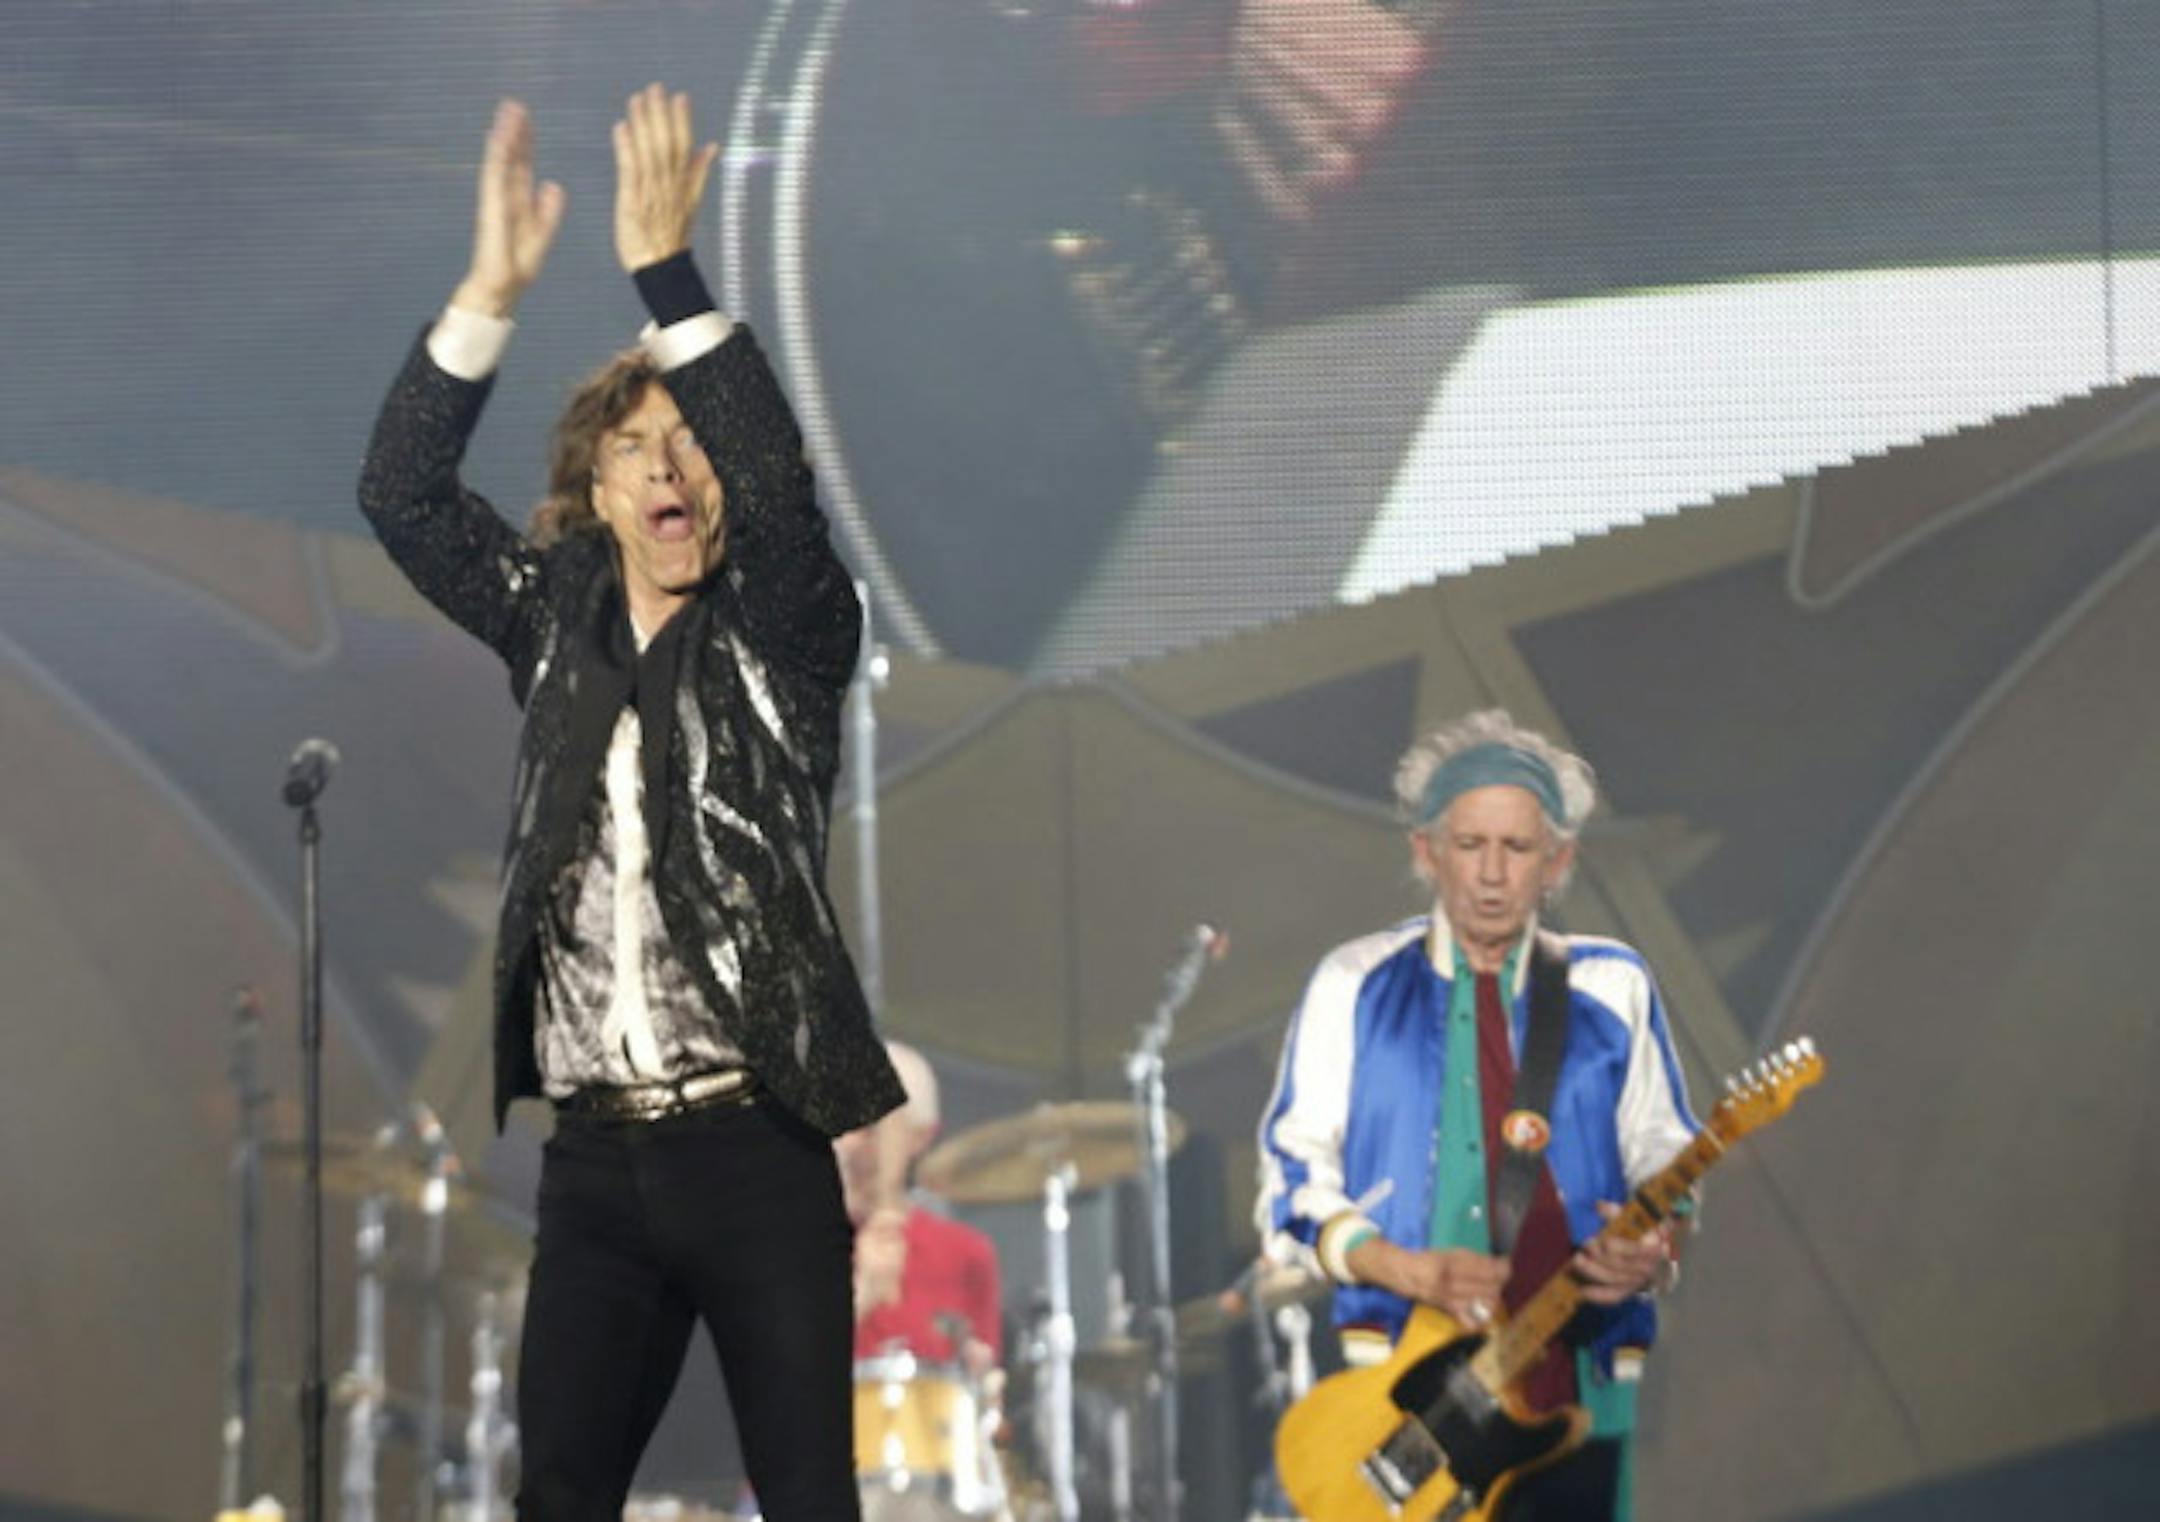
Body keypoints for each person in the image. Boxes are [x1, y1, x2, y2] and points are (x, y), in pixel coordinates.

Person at [358, 86, 905, 1521]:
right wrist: (489, 294)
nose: (668, 466)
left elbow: (777, 480)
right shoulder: (552, 622)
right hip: (596, 1162)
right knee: (560, 1493)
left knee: (808, 1494)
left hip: (756, 1140)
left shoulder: (788, 627)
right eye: (632, 449)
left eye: (687, 443)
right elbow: (404, 494)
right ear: (593, 491)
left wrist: (668, 275)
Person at [1255, 709, 1696, 1521]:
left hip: (1578, 1386)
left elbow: (1668, 1162)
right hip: (1407, 1402)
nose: (1492, 874)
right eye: (1469, 845)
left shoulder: (1612, 987)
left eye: (1518, 848)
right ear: (1426, 852)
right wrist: (1402, 1268)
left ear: (1558, 862)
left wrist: (1657, 1252)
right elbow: (1290, 1184)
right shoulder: (1354, 984)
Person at [836, 1041, 1003, 1375]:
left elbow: (983, 1388)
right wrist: (860, 1296)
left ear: (921, 1137)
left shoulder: (966, 1254)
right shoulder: (791, 1240)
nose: (847, 1142)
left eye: (869, 1130)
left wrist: (978, 1375)